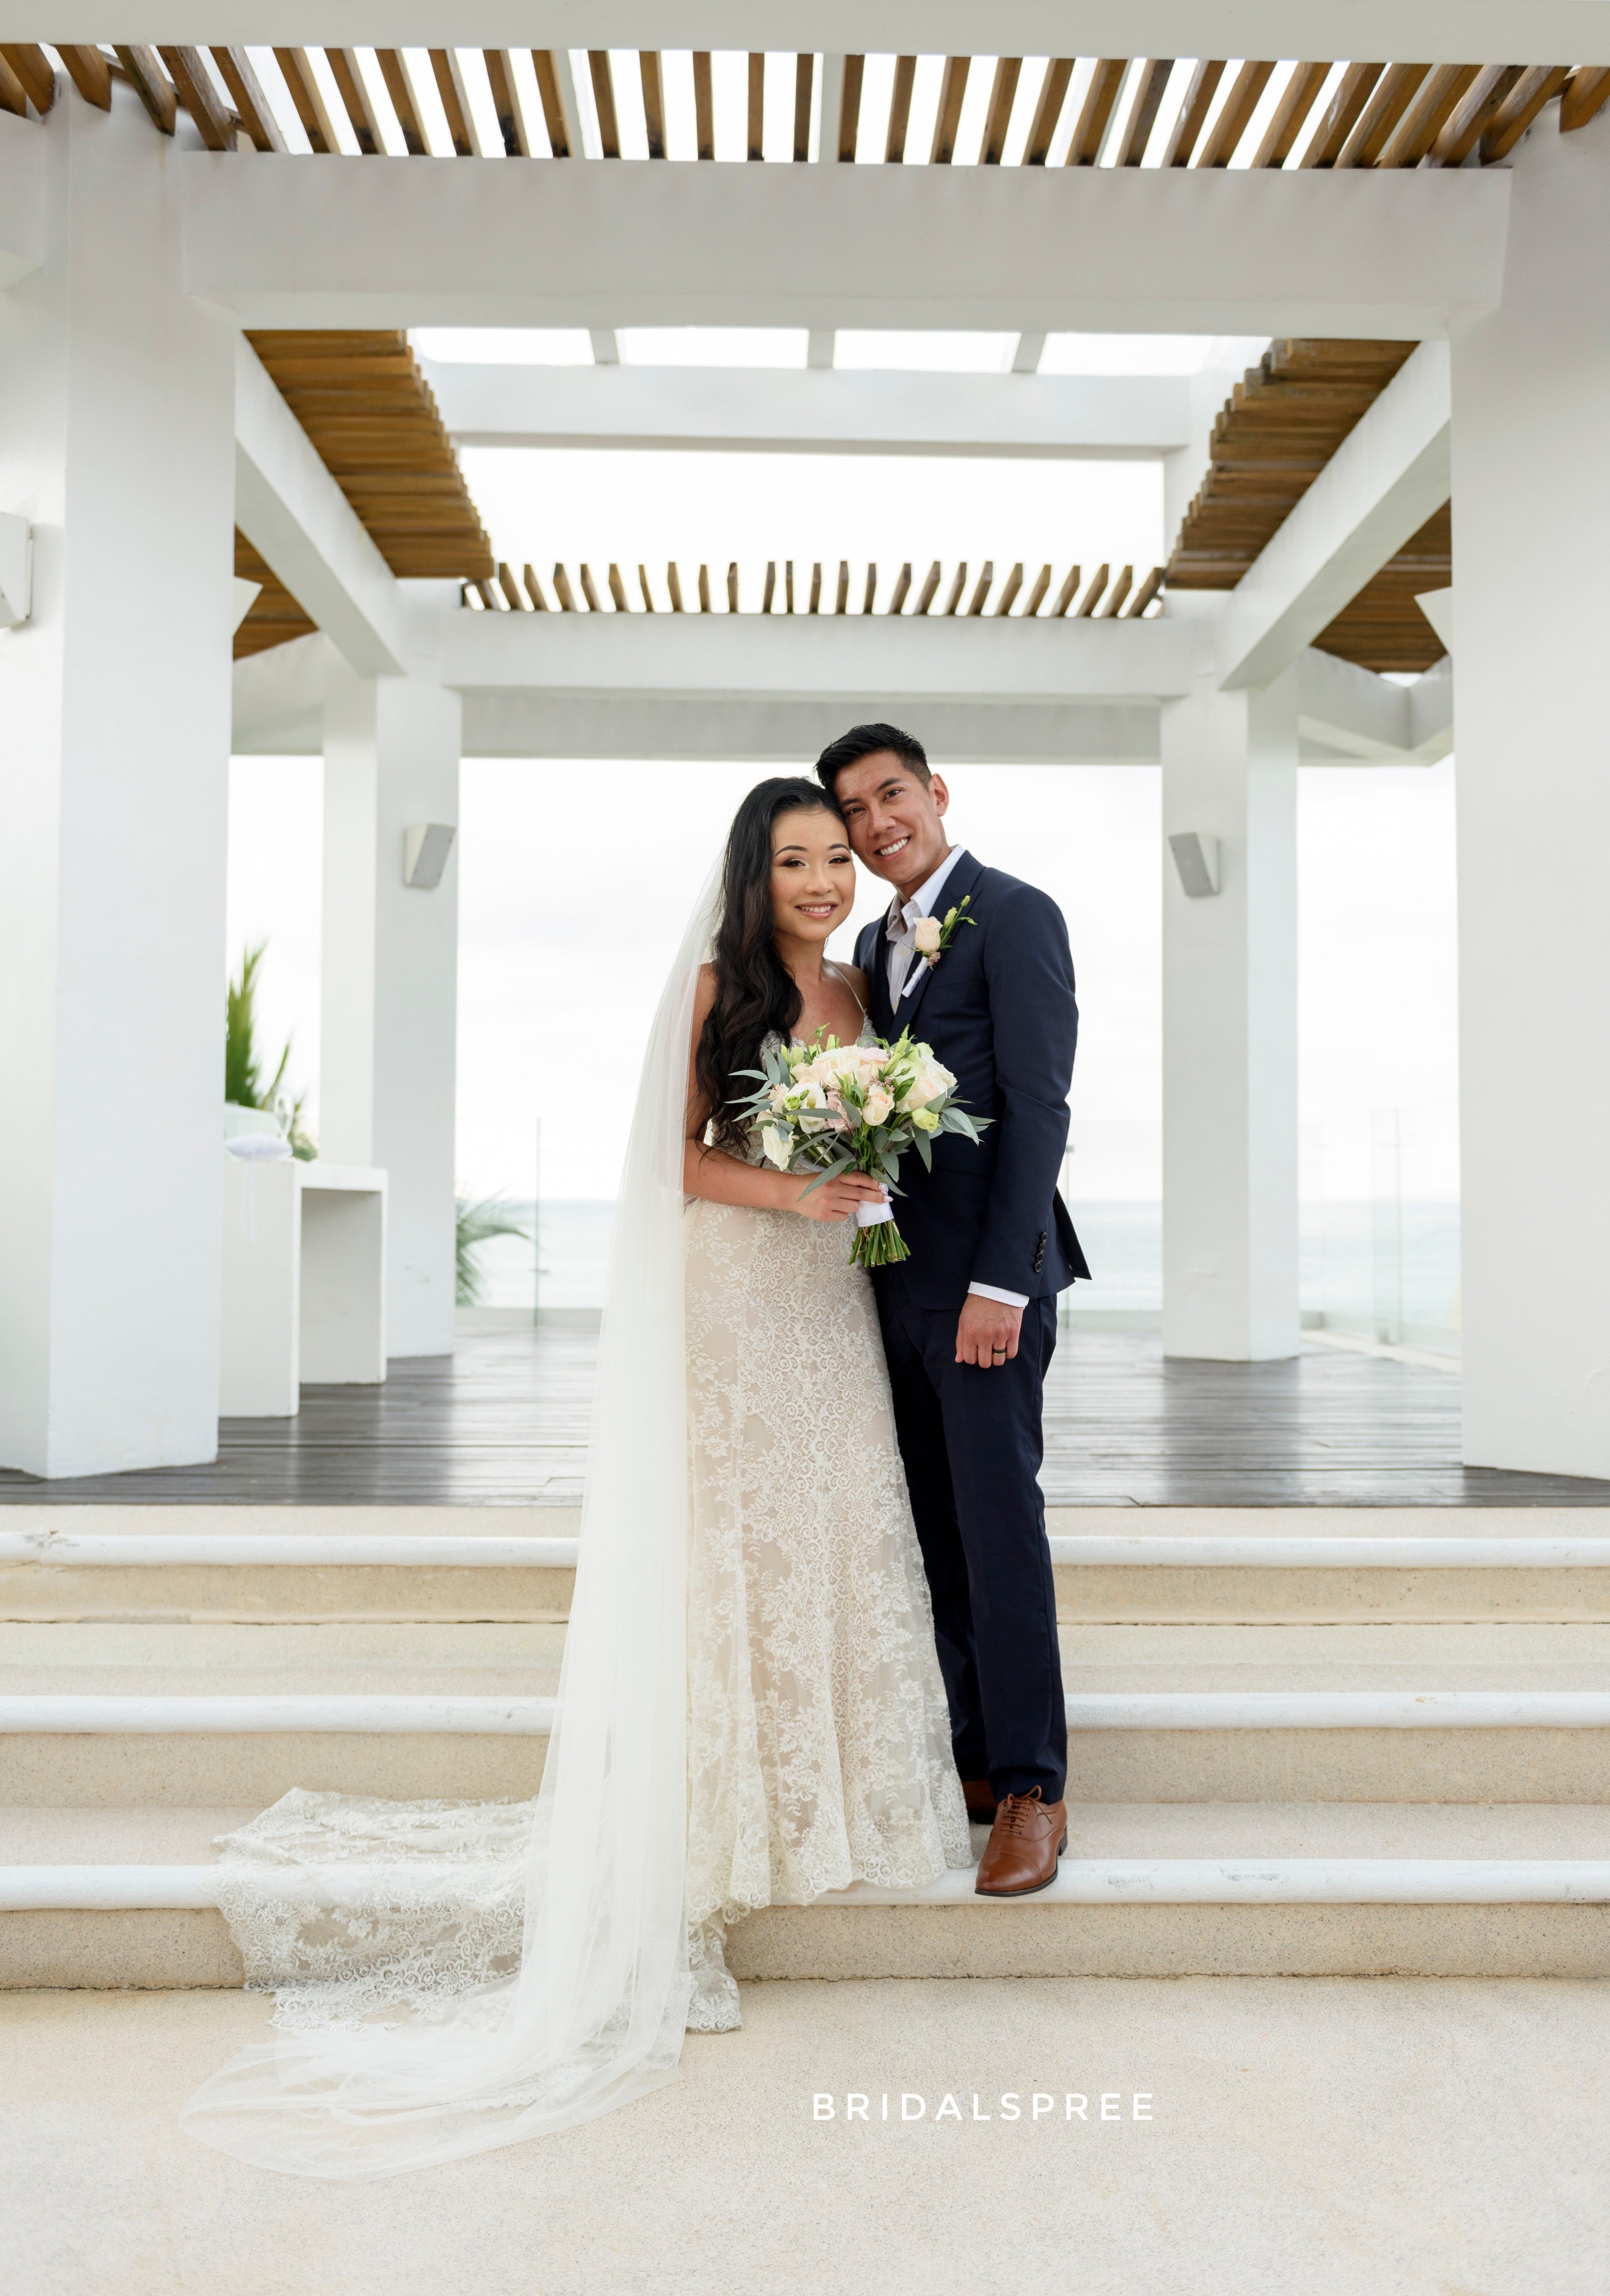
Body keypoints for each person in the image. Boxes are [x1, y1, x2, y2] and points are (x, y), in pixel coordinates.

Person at [181, 774, 968, 2180]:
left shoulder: (861, 993)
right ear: (753, 870)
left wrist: (863, 1169)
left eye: (835, 856)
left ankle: (826, 1802)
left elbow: (874, 1147)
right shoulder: (721, 984)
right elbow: (666, 1161)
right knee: (734, 1532)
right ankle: (718, 1816)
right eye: (794, 859)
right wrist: (794, 1186)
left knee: (829, 1529)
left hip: (827, 1299)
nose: (821, 879)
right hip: (735, 1290)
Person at [819, 722, 1088, 1899]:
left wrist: (1001, 1283)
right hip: (893, 1277)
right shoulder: (871, 945)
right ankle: (975, 1756)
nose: (878, 823)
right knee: (934, 1528)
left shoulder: (1013, 912)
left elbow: (1038, 1109)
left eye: (892, 796)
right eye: (855, 811)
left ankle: (1033, 1785)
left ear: (934, 792)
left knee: (997, 1525)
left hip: (986, 1284)